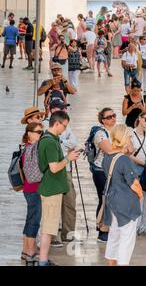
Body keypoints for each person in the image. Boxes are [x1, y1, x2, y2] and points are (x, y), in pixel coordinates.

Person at [37, 111, 80, 266]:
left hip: (55, 188)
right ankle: (42, 260)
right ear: (57, 123)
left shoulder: (54, 139)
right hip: (51, 190)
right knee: (48, 228)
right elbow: (54, 168)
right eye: (64, 126)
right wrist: (69, 158)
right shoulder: (49, 141)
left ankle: (43, 258)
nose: (65, 129)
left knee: (51, 226)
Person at [102, 125, 143, 266]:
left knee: (115, 234)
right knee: (127, 237)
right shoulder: (124, 159)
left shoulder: (107, 157)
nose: (131, 140)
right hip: (126, 202)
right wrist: (140, 196)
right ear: (125, 139)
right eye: (130, 137)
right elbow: (134, 184)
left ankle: (111, 262)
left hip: (112, 200)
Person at [91, 108, 117, 243]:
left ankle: (105, 226)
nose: (112, 118)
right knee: (105, 199)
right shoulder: (100, 133)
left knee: (108, 199)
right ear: (103, 120)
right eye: (109, 117)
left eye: (114, 115)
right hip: (100, 170)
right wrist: (122, 147)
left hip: (112, 170)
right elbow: (109, 150)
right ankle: (102, 230)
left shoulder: (114, 131)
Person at [20, 122, 44, 265]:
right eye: (38, 132)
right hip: (34, 189)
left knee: (30, 219)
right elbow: (34, 175)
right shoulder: (32, 148)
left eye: (42, 132)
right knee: (34, 221)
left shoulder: (27, 147)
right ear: (29, 133)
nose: (40, 134)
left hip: (29, 189)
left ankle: (26, 250)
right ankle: (30, 253)